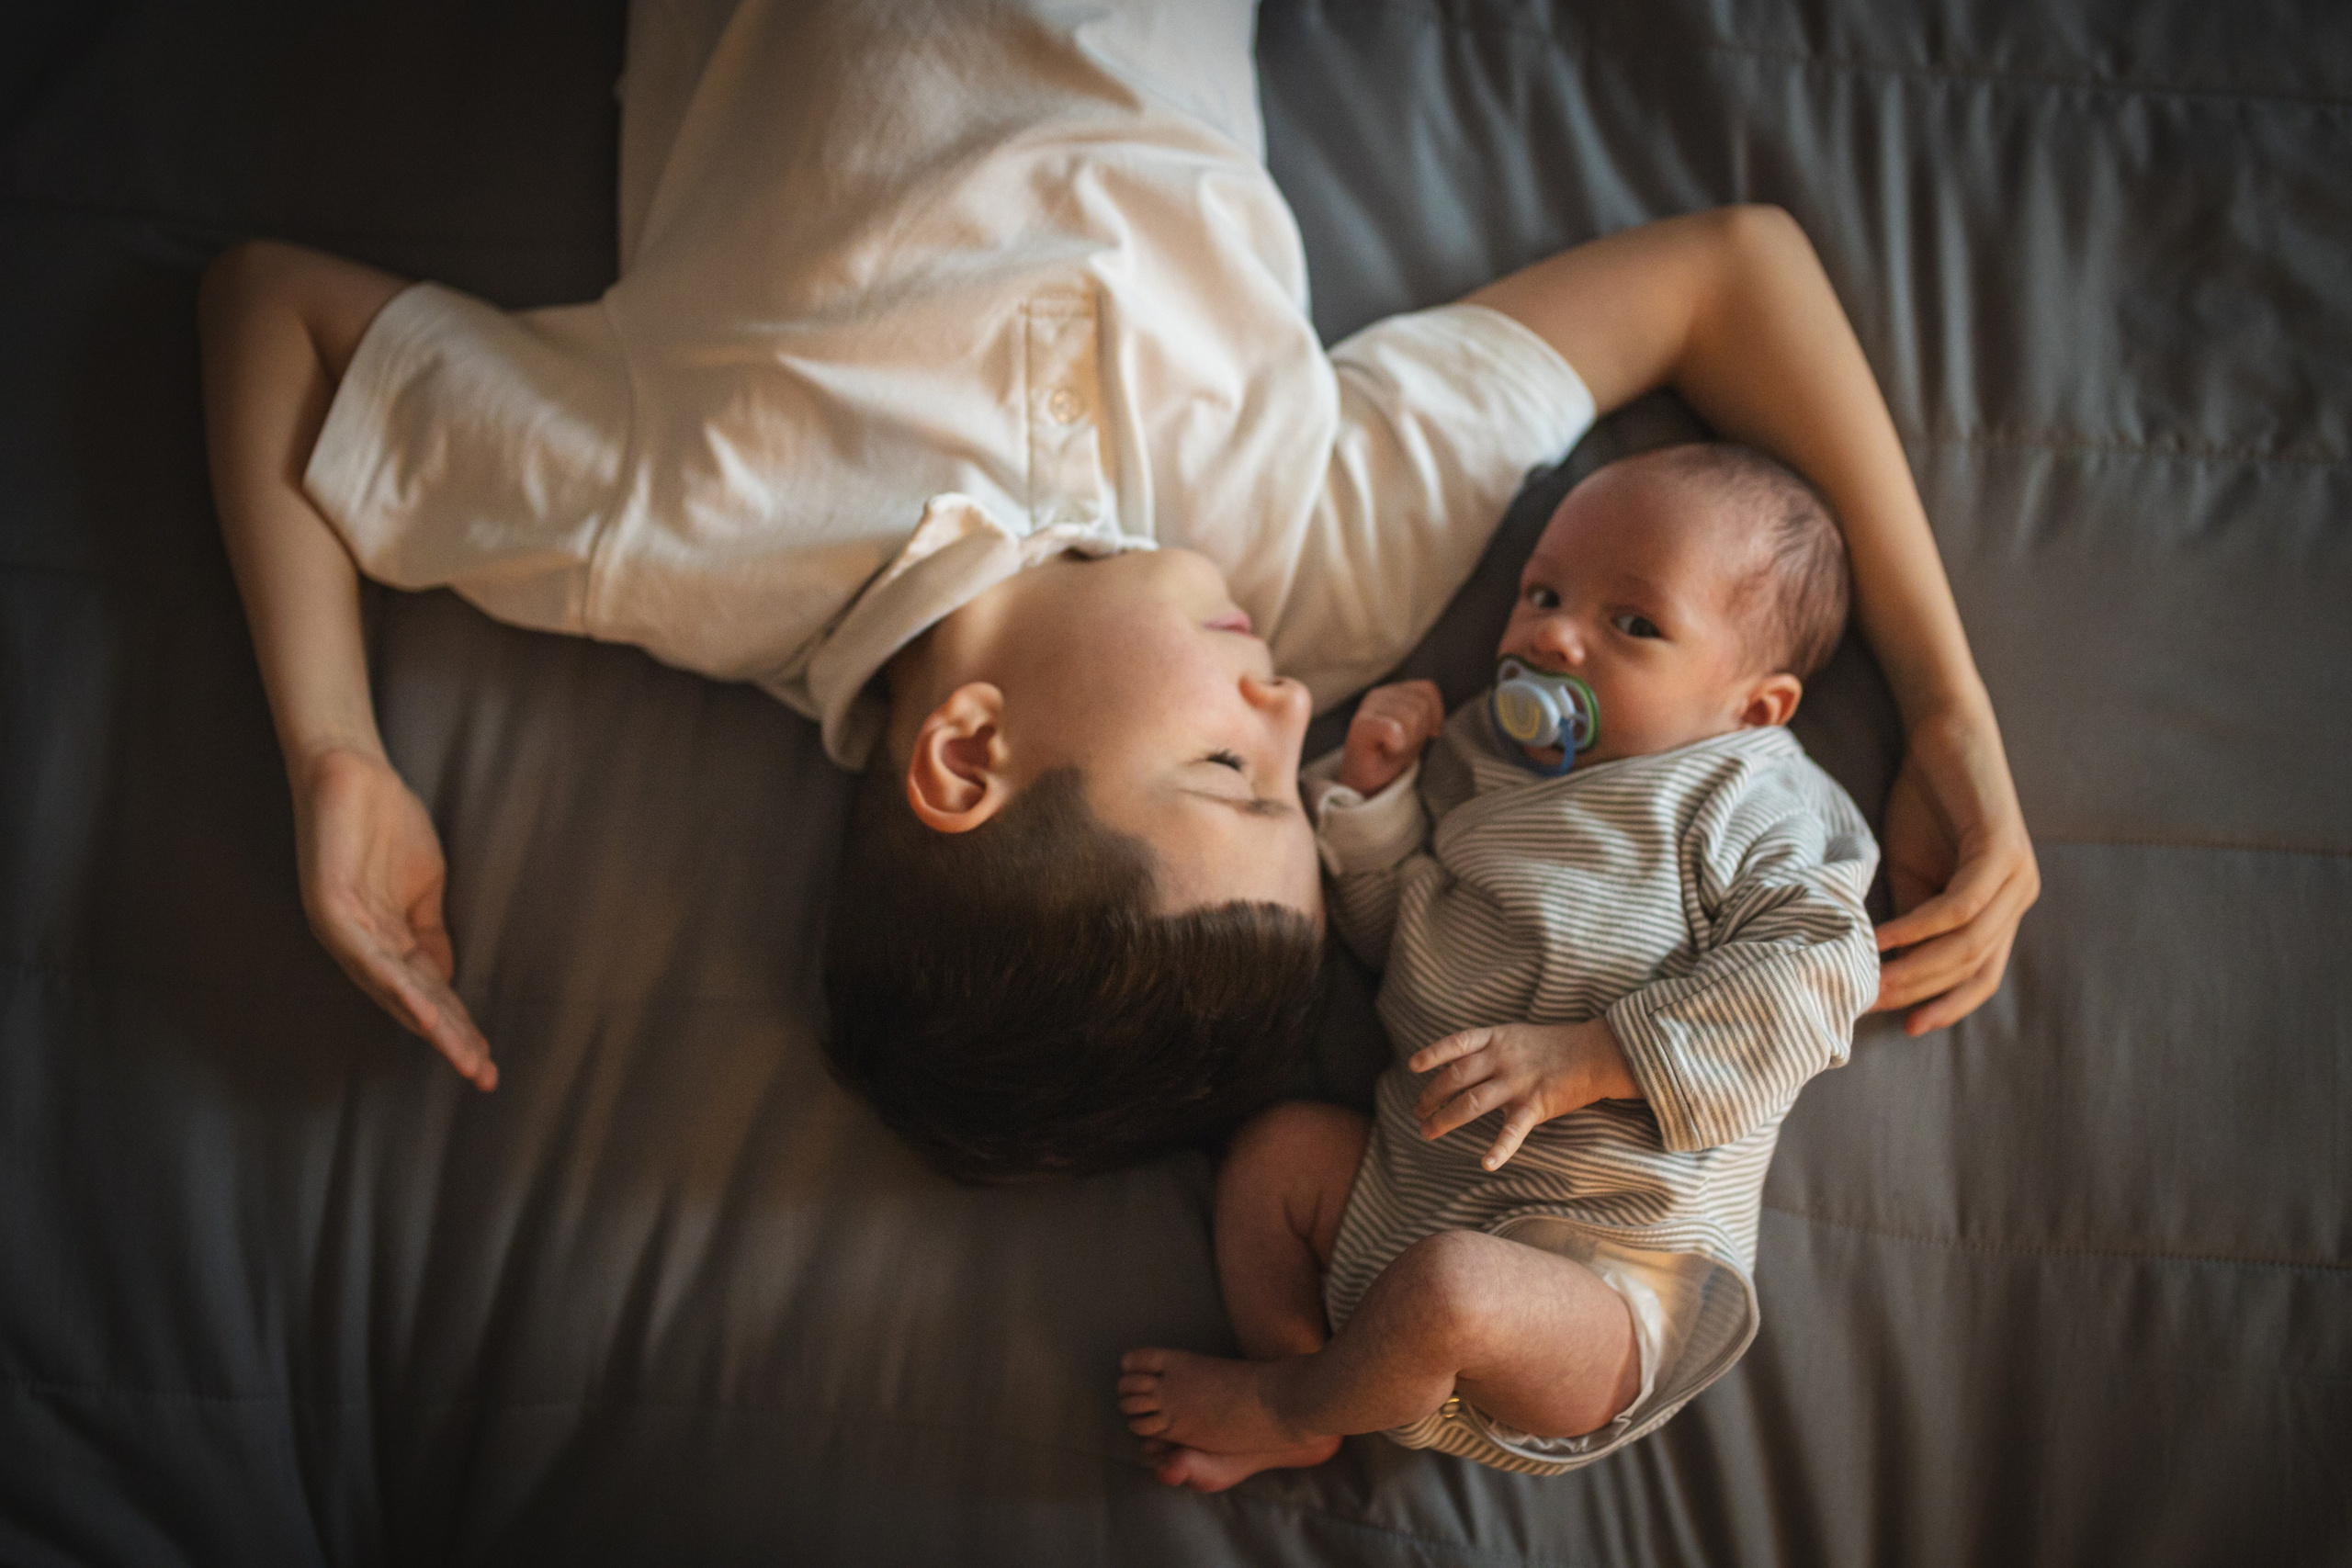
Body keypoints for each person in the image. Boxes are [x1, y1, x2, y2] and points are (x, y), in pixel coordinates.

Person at [197, 0, 2036, 1177]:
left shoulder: (673, 531)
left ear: (965, 755)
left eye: (1229, 773)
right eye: (1297, 786)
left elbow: (271, 311)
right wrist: (1946, 704)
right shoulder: (1309, 569)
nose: (1294, 706)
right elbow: (1729, 272)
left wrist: (332, 751)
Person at [1118, 441, 1879, 1488]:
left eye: (1633, 624)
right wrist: (1378, 798)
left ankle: (1284, 1402)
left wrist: (1597, 1055)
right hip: (1411, 1184)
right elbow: (1397, 945)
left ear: (1754, 706)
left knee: (1455, 1291)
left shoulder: (1750, 796)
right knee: (1273, 1161)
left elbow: (1819, 977)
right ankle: (1308, 1379)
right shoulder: (1478, 756)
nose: (1555, 636)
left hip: (1609, 1277)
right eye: (1543, 594)